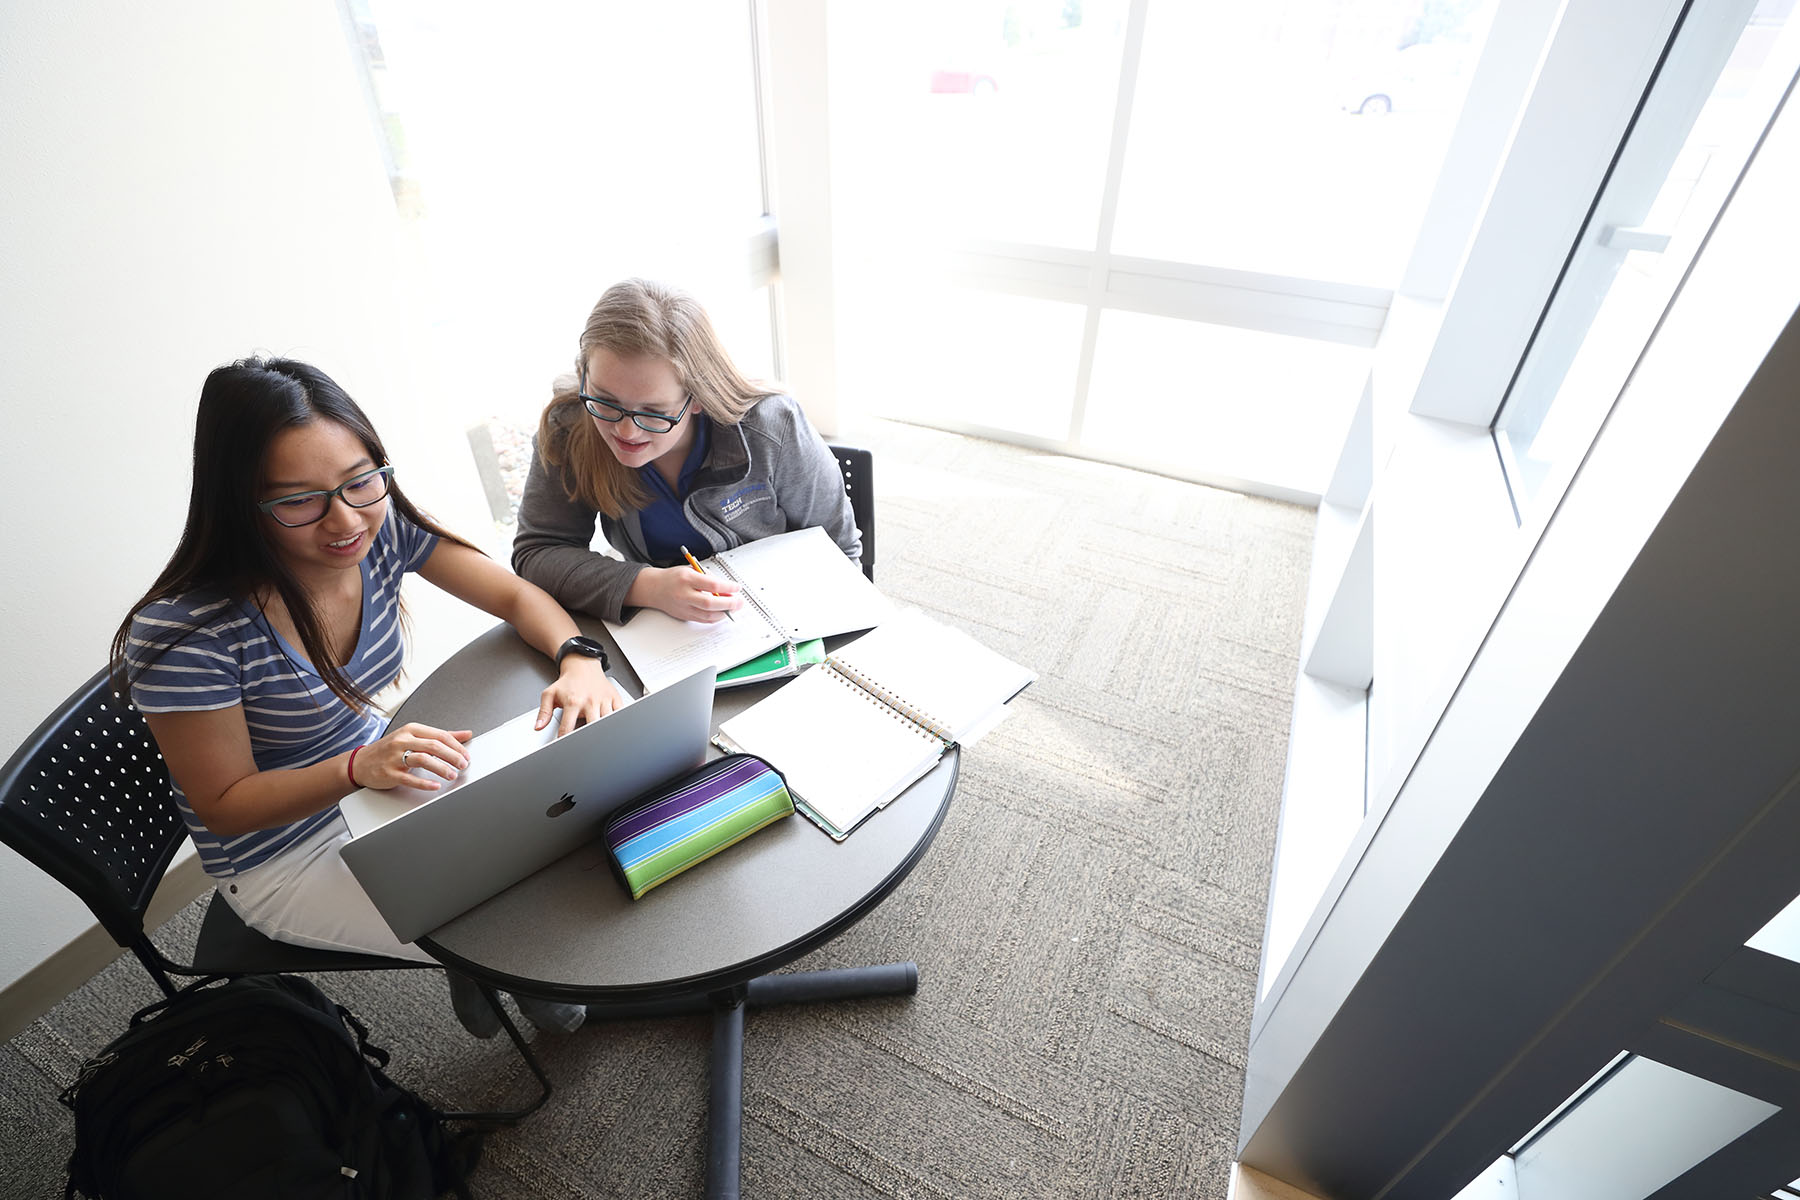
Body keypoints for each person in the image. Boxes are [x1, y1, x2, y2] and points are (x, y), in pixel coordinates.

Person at [111, 357, 625, 1037]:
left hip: (382, 770)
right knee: (506, 919)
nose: (344, 520)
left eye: (361, 481)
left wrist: (577, 656)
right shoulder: (186, 635)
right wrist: (357, 768)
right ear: (240, 504)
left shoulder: (377, 530)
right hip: (280, 854)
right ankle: (496, 972)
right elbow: (225, 806)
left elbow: (511, 593)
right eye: (300, 500)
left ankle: (489, 967)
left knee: (551, 825)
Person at [512, 278, 858, 624]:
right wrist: (645, 585)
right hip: (666, 635)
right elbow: (537, 552)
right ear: (583, 373)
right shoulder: (569, 427)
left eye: (654, 412)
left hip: (784, 615)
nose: (625, 431)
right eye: (604, 400)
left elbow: (838, 549)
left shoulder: (773, 427)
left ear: (698, 397)